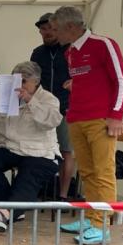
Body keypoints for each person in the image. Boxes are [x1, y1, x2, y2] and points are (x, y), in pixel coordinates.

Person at [51, 6, 123, 245]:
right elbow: (91, 79)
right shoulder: (70, 52)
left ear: (70, 27)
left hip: (100, 119)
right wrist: (75, 85)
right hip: (76, 118)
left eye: (56, 29)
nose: (54, 34)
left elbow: (121, 80)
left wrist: (116, 115)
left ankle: (102, 225)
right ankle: (91, 217)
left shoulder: (103, 44)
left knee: (103, 171)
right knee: (86, 172)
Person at [0, 61, 62, 231]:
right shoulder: (7, 95)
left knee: (28, 176)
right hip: (10, 148)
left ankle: (6, 213)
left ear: (36, 81)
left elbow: (51, 121)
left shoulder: (48, 99)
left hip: (40, 151)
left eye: (23, 81)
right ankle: (11, 208)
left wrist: (30, 100)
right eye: (15, 80)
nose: (19, 85)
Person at [30, 12, 76, 199]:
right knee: (37, 150)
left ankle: (62, 197)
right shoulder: (37, 53)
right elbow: (31, 79)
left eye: (50, 28)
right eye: (43, 28)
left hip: (66, 109)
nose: (47, 32)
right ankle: (38, 192)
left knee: (66, 151)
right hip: (42, 110)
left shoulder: (71, 50)